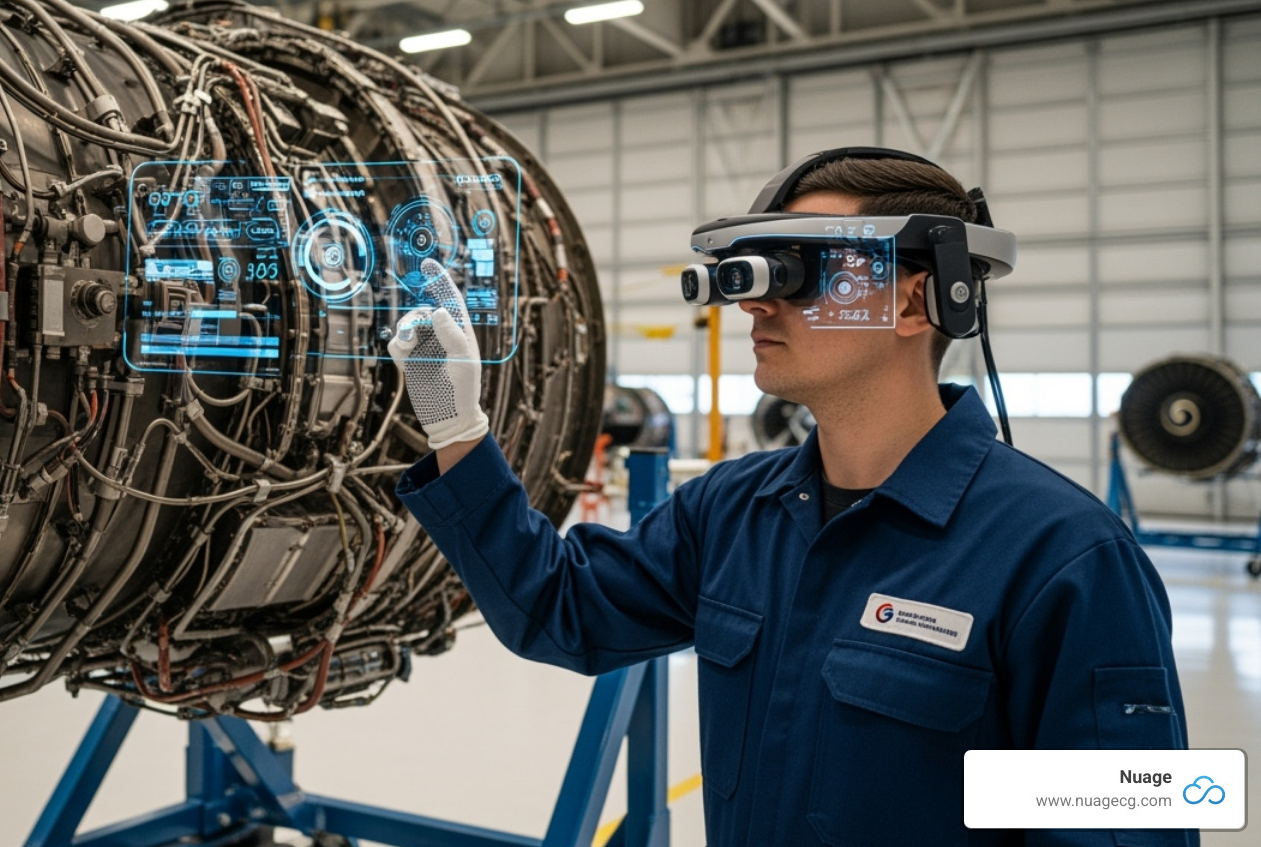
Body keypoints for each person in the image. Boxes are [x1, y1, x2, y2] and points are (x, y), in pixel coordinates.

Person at [387, 150, 1191, 846]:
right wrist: (456, 423)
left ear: (914, 301)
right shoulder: (734, 511)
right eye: (760, 273)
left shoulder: (1064, 560)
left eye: (801, 271)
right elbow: (557, 610)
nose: (755, 304)